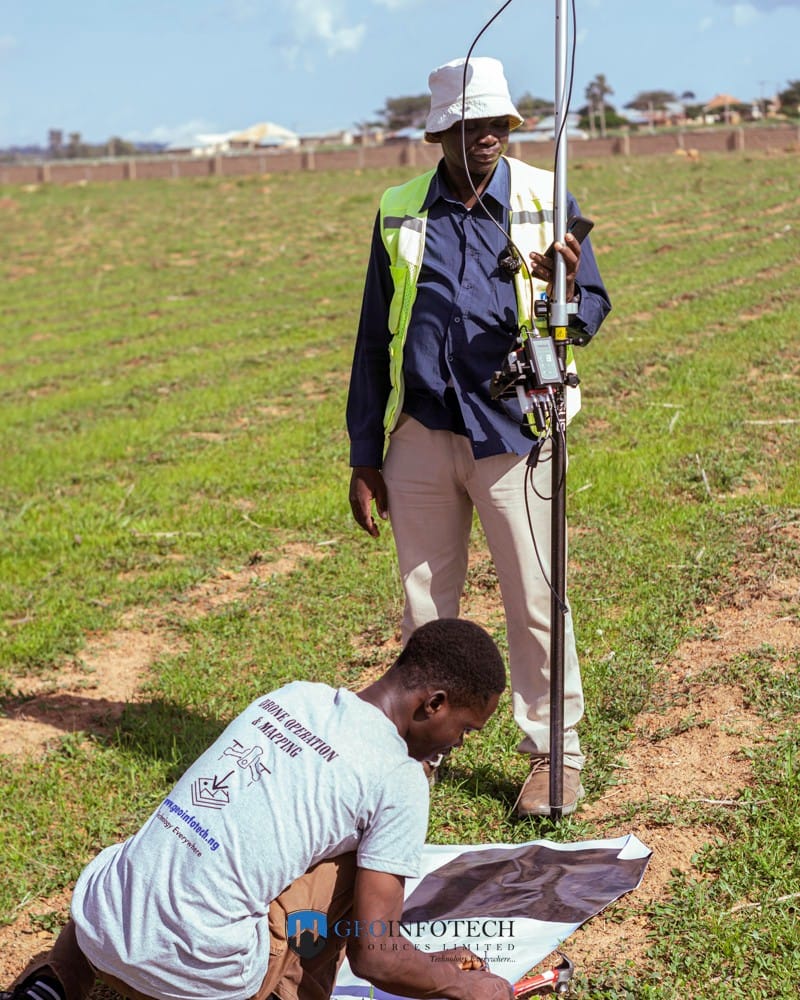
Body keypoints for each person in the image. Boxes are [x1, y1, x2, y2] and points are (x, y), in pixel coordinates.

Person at [346, 57, 611, 817]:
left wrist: (564, 293)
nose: (491, 136)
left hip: (517, 430)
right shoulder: (400, 208)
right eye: (474, 125)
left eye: (500, 123)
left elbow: (590, 305)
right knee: (426, 605)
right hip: (423, 433)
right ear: (442, 132)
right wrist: (366, 453)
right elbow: (373, 338)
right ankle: (417, 756)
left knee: (536, 597)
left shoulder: (542, 193)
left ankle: (553, 756)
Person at [2, 619, 511, 1000]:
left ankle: (50, 985)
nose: (460, 746)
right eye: (466, 730)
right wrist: (460, 986)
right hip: (198, 976)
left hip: (100, 930)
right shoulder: (399, 778)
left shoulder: (294, 697)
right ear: (434, 703)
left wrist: (424, 963)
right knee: (360, 863)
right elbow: (376, 955)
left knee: (174, 842)